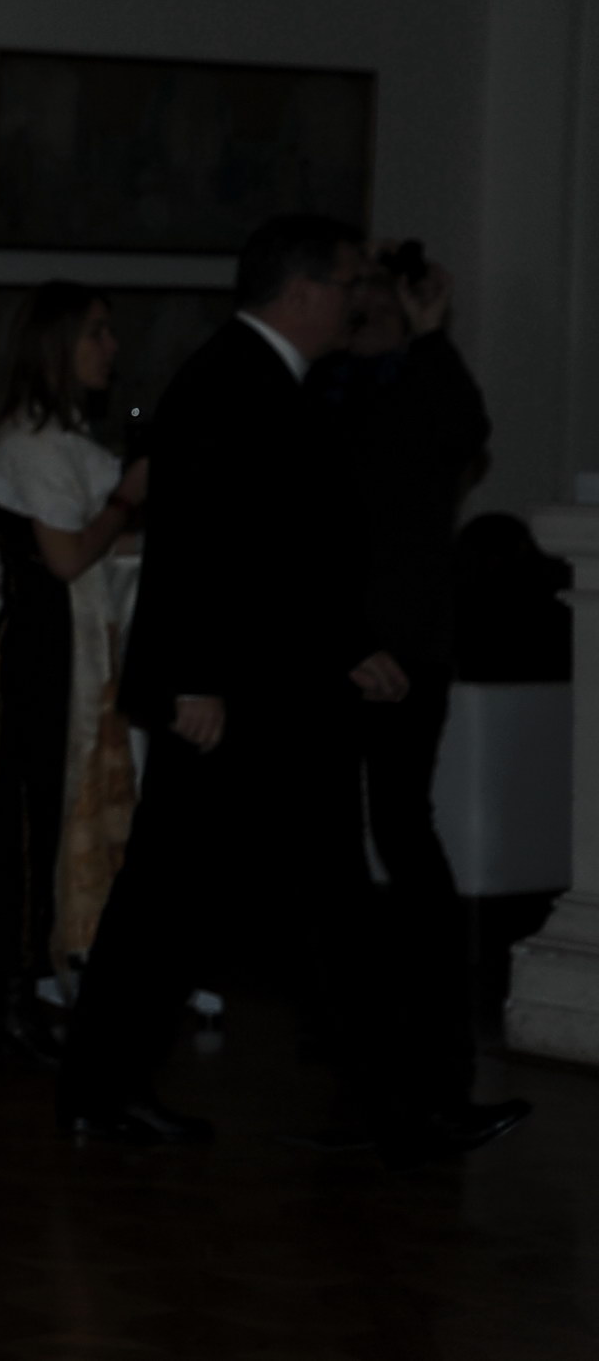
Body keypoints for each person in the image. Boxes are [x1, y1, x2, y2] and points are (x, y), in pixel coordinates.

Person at [59, 214, 522, 1155]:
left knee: (287, 900)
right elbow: (204, 545)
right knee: (195, 899)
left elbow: (281, 551)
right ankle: (110, 1091)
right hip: (232, 698)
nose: (359, 298)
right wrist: (197, 680)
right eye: (348, 282)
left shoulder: (261, 375)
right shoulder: (234, 379)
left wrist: (348, 645)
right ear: (303, 291)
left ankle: (399, 1104)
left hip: (269, 690)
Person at [316, 243, 516, 1140]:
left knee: (403, 831)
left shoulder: (424, 383)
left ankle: (433, 1044)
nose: (370, 301)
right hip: (329, 647)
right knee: (331, 840)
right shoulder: (323, 387)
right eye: (358, 287)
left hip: (409, 646)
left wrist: (433, 334)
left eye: (381, 289)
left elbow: (466, 436)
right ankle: (356, 1038)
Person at [0, 284, 146, 1063]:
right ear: (57, 346)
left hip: (56, 641)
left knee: (49, 810)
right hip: (39, 648)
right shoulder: (34, 442)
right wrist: (127, 502)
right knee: (27, 815)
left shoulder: (62, 436)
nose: (111, 347)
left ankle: (30, 982)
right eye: (96, 332)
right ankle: (10, 994)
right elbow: (68, 555)